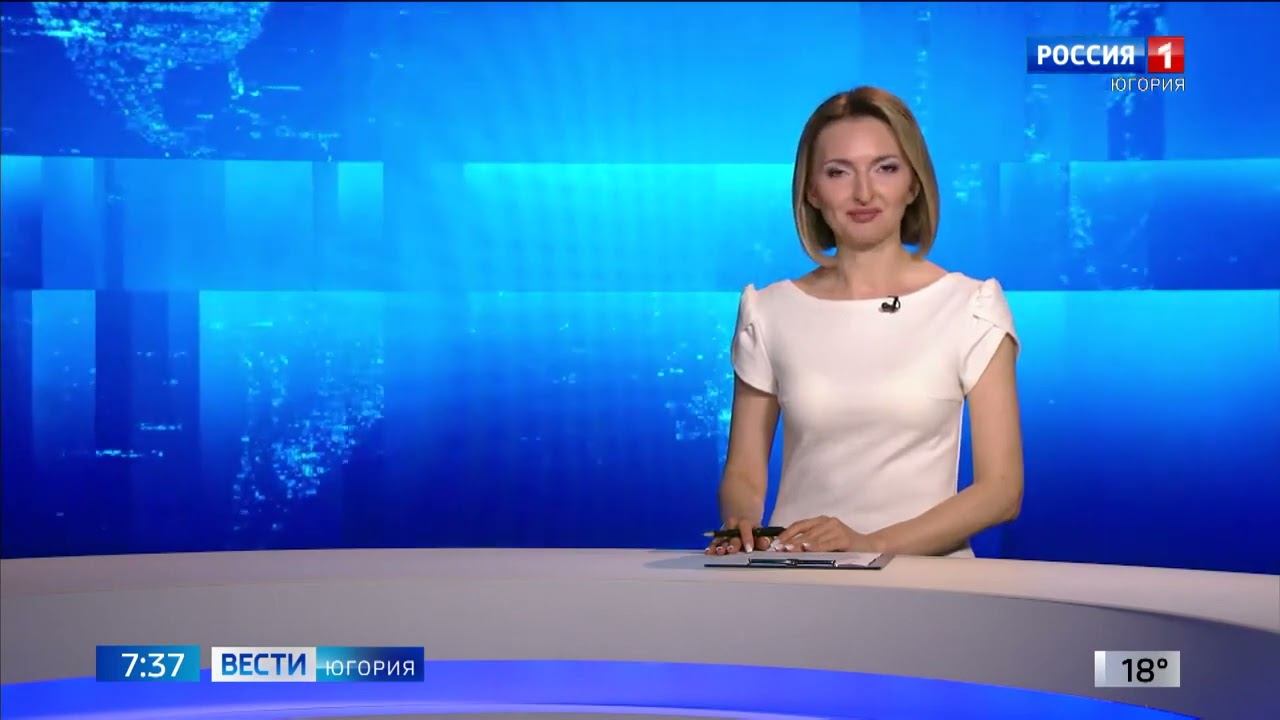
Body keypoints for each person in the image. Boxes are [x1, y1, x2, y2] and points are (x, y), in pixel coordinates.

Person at [707, 86, 1024, 559]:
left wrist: (868, 545)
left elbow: (1001, 491)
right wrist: (742, 527)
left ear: (913, 184)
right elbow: (745, 473)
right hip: (798, 575)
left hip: (927, 584)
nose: (863, 193)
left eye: (885, 168)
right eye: (838, 172)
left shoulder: (970, 307)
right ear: (812, 190)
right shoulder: (768, 311)